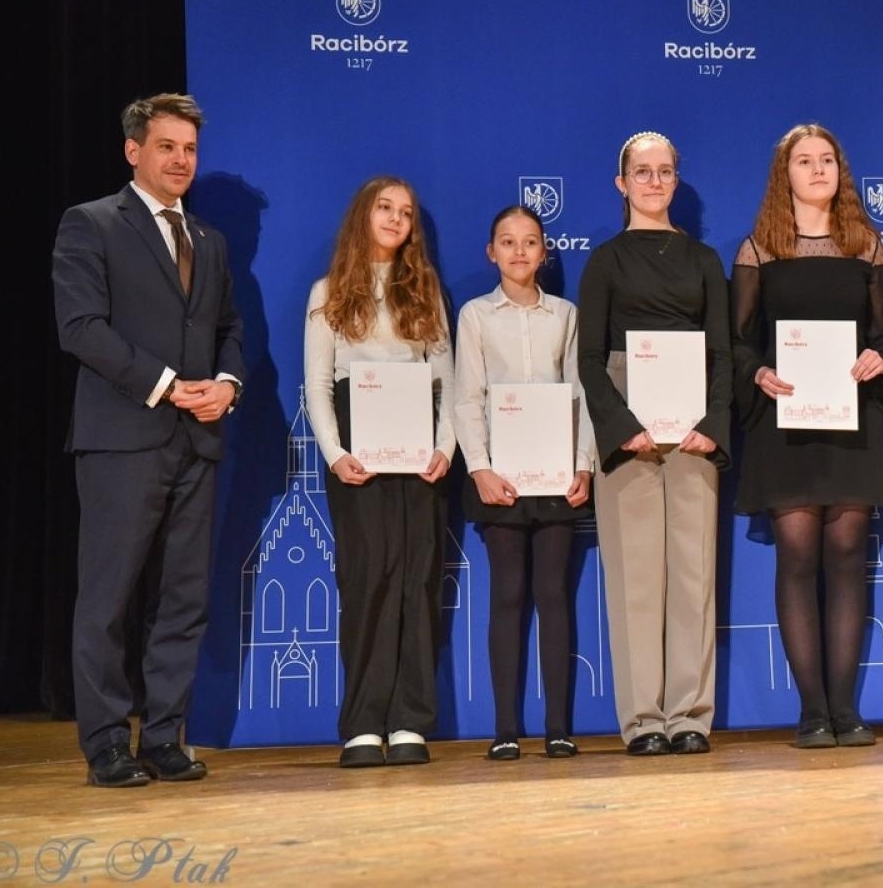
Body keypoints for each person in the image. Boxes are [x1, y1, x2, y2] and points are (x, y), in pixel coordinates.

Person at [52, 92, 245, 787]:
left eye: (190, 149)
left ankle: (164, 736)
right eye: (167, 146)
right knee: (107, 599)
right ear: (134, 150)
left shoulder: (211, 242)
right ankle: (106, 743)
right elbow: (79, 328)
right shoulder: (91, 224)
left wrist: (227, 382)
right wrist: (166, 383)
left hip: (198, 441)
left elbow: (228, 330)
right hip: (123, 440)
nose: (181, 160)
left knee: (183, 599)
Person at [731, 123, 883, 748]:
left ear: (840, 171)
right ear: (786, 174)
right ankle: (811, 712)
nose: (818, 170)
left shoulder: (867, 246)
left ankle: (847, 711)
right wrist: (758, 370)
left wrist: (879, 358)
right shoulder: (759, 250)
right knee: (798, 559)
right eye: (804, 161)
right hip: (786, 423)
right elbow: (738, 339)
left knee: (849, 560)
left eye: (827, 159)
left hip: (853, 421)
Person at [577, 131, 732, 756]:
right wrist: (623, 429)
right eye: (642, 172)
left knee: (693, 575)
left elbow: (720, 355)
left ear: (675, 181)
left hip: (693, 428)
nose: (654, 181)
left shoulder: (703, 261)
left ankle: (691, 714)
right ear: (622, 182)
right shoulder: (605, 261)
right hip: (628, 427)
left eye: (665, 172)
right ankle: (644, 719)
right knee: (637, 577)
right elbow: (589, 361)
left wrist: (711, 425)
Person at [304, 176, 455, 768]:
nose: (396, 219)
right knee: (368, 580)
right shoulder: (328, 292)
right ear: (363, 216)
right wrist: (335, 453)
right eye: (385, 208)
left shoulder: (425, 290)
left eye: (406, 212)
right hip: (357, 453)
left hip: (420, 453)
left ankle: (410, 722)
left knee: (417, 580)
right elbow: (317, 384)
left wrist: (446, 447)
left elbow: (445, 377)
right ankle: (364, 723)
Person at [452, 205, 594, 761]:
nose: (518, 251)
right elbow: (467, 397)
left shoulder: (565, 314)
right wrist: (480, 468)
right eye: (507, 242)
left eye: (529, 242)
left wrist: (582, 465)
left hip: (557, 476)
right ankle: (505, 728)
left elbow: (579, 393)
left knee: (554, 596)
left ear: (543, 253)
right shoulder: (475, 316)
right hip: (500, 479)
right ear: (492, 252)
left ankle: (559, 726)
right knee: (508, 595)